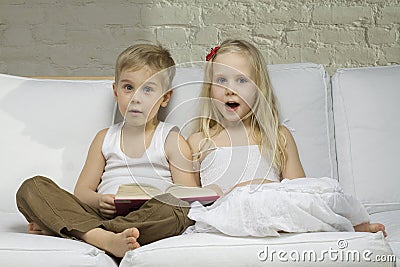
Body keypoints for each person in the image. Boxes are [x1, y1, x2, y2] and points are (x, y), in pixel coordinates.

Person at [186, 39, 387, 237]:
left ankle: (346, 226)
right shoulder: (199, 141)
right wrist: (235, 192)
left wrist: (262, 188)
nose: (230, 89)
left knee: (323, 191)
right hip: (227, 214)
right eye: (221, 80)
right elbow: (191, 204)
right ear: (209, 88)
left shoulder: (277, 136)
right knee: (241, 201)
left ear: (258, 89)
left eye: (241, 80)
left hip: (273, 209)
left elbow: (299, 191)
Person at [16, 43, 198, 258]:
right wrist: (99, 201)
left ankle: (78, 230)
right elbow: (82, 192)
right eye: (128, 88)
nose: (135, 98)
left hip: (148, 215)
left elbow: (189, 196)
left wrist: (155, 196)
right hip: (102, 212)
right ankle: (105, 237)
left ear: (165, 97)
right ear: (116, 91)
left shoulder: (171, 139)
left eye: (148, 89)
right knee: (32, 187)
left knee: (177, 209)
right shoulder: (105, 138)